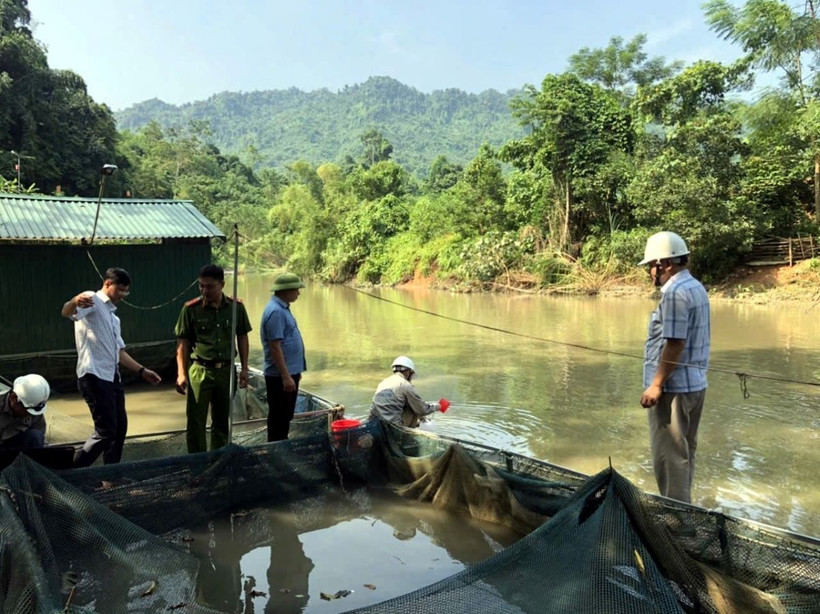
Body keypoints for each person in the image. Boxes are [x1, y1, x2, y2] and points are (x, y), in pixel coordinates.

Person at [62, 268, 162, 467]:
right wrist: (74, 301)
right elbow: (66, 312)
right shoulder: (92, 299)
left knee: (119, 429)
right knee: (106, 430)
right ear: (108, 284)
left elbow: (119, 352)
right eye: (121, 290)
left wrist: (142, 371)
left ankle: (110, 477)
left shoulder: (114, 317)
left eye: (126, 291)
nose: (123, 295)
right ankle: (73, 473)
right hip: (93, 374)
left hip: (112, 377)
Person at [639, 231, 711, 504]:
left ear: (664, 264)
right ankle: (684, 515)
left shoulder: (676, 294)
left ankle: (676, 525)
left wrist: (656, 384)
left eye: (651, 266)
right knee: (684, 456)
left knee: (669, 460)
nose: (650, 272)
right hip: (694, 387)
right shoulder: (696, 287)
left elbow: (675, 344)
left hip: (674, 390)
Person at [175, 264, 252, 453]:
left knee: (222, 421)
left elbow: (242, 337)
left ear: (222, 284)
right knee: (196, 423)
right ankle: (198, 468)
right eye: (201, 286)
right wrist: (181, 374)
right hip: (200, 371)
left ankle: (218, 464)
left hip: (226, 371)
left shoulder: (236, 308)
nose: (204, 290)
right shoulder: (191, 309)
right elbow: (182, 342)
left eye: (209, 286)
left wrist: (244, 368)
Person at [260, 273, 306, 441]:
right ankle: (276, 448)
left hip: (289, 372)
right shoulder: (276, 312)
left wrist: (295, 372)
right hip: (279, 376)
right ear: (285, 291)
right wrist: (286, 376)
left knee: (285, 415)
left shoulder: (282, 308)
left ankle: (280, 445)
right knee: (279, 416)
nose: (298, 293)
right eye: (296, 289)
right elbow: (275, 347)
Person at [369, 356, 450, 427]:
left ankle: (419, 422)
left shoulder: (383, 382)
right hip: (393, 427)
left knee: (411, 404)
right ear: (408, 372)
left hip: (377, 423)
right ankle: (410, 429)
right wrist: (437, 406)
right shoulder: (405, 385)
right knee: (414, 408)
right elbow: (422, 409)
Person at [0, 374, 49, 449]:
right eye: (28, 410)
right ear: (13, 398)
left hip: (12, 447)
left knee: (35, 436)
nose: (30, 414)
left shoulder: (34, 408)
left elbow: (39, 439)